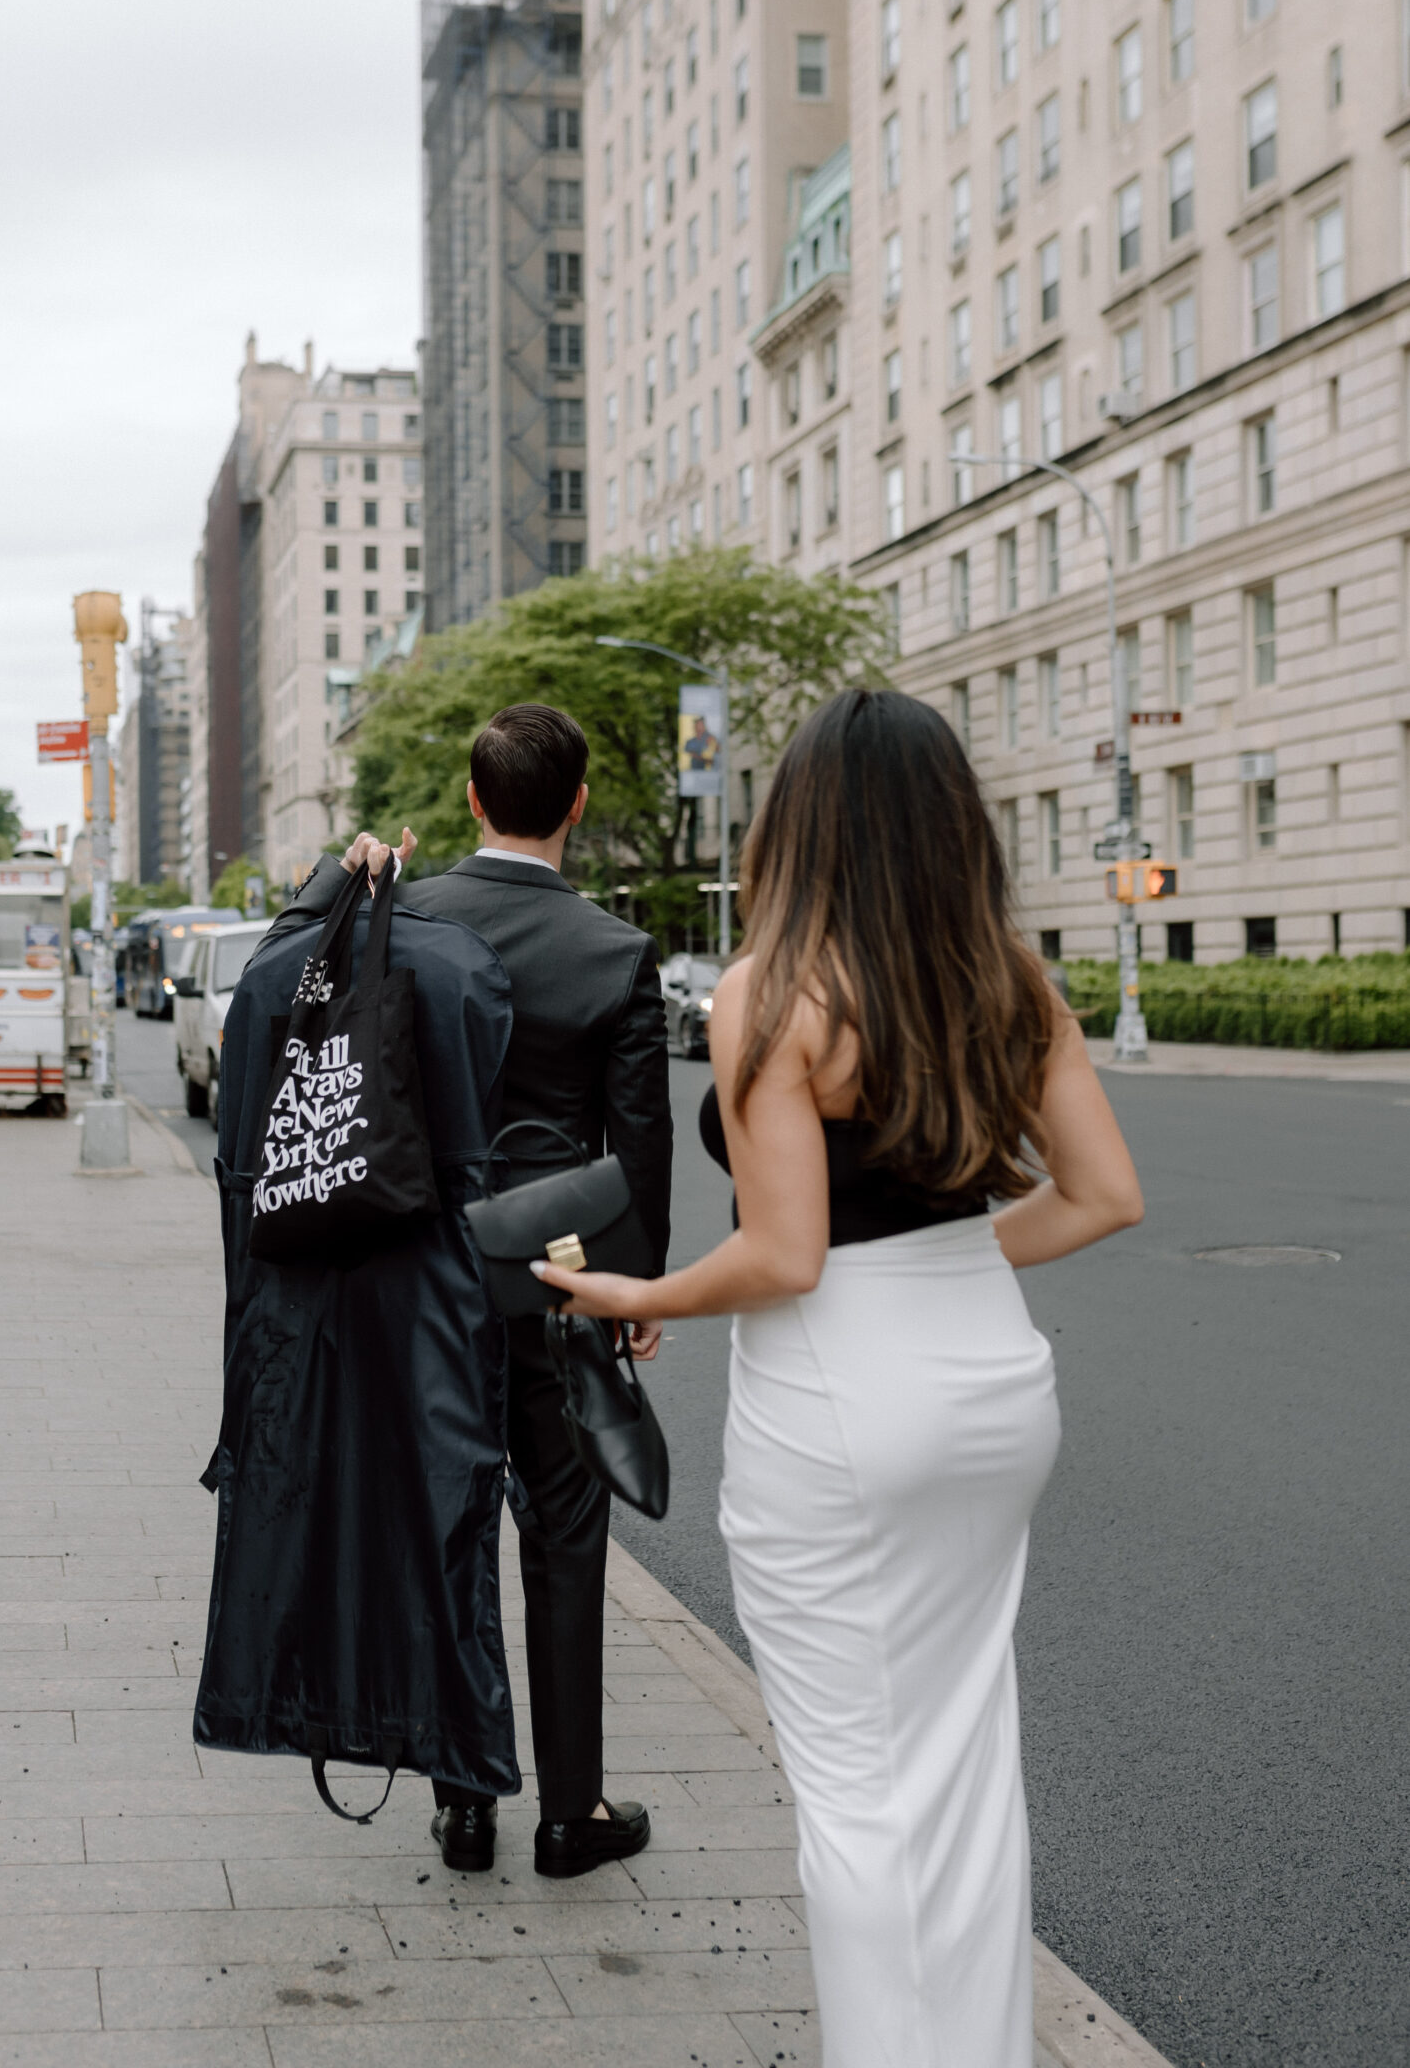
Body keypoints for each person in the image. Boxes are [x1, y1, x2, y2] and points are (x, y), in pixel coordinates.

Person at [534, 688, 1143, 2065]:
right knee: (960, 1763)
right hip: (991, 1377)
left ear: (800, 825)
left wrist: (639, 1292)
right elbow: (1103, 1195)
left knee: (860, 1791)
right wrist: (956, 1264)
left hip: (843, 1405)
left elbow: (787, 1254)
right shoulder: (1009, 978)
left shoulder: (774, 990)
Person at [292, 703, 673, 1880]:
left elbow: (306, 1020)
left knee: (447, 1529)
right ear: (578, 803)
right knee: (566, 1534)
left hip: (423, 1277)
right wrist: (638, 1284)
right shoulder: (616, 951)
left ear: (470, 798)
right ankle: (573, 1813)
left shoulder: (407, 914)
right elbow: (641, 1139)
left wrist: (339, 878)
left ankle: (465, 1802)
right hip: (558, 1275)